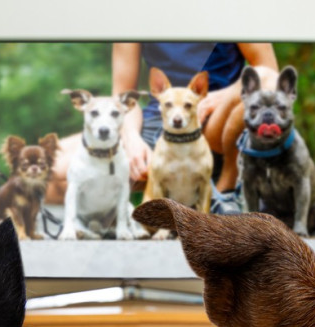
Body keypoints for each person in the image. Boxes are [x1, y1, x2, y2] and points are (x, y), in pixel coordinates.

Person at [49, 42, 279, 214]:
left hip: (214, 120)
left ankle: (226, 190)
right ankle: (147, 198)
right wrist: (131, 139)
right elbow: (123, 94)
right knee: (45, 169)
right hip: (158, 122)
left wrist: (218, 98)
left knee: (265, 79)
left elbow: (271, 73)